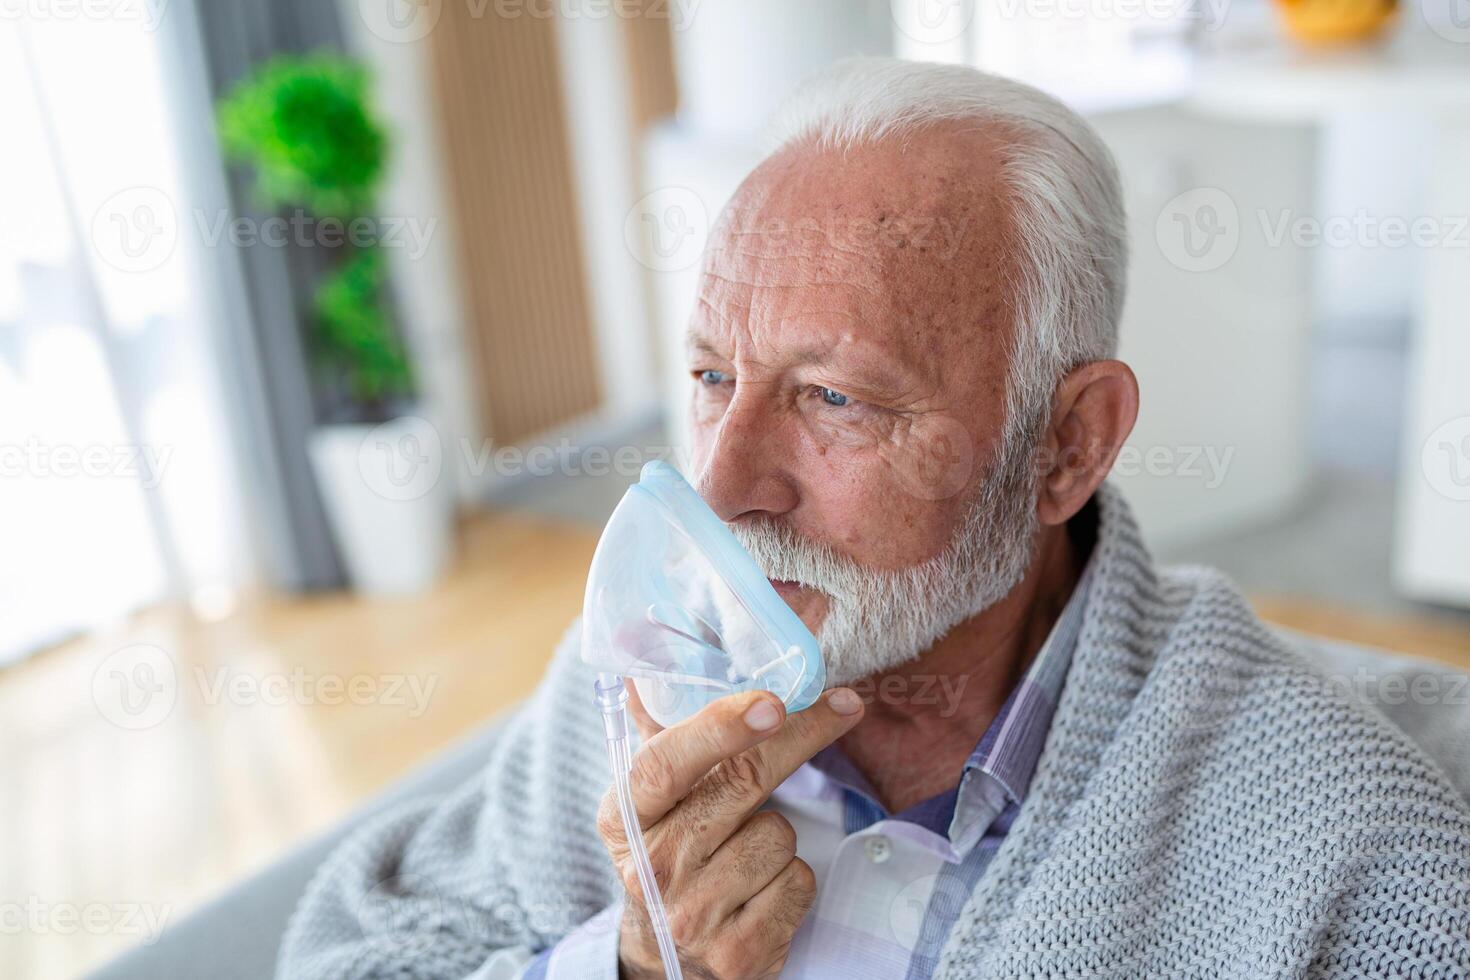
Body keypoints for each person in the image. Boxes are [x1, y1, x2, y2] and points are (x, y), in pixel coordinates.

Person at [278, 57, 1470, 979]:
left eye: (834, 397)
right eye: (709, 379)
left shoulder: (1344, 840)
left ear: (1067, 445)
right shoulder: (642, 677)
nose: (721, 485)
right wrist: (637, 961)